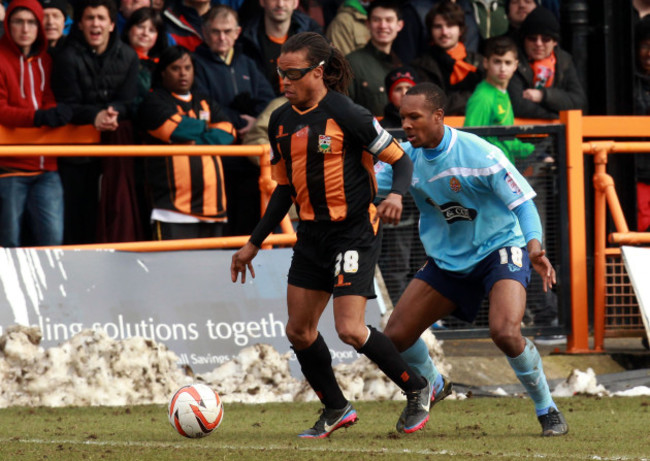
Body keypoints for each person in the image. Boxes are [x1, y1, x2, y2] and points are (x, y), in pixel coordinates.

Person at [231, 31, 435, 438]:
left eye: (293, 74)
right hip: (312, 235)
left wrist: (395, 195)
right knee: (299, 331)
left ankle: (417, 387)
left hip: (354, 232)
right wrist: (253, 242)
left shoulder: (349, 114)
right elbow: (284, 189)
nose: (284, 82)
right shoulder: (280, 121)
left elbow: (400, 161)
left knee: (350, 330)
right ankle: (336, 408)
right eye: (280, 73)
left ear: (318, 73)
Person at [376, 82, 569, 437]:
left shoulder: (479, 153)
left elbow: (523, 203)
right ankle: (433, 383)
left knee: (505, 332)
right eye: (402, 117)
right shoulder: (403, 158)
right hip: (447, 260)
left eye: (414, 117)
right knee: (395, 338)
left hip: (500, 249)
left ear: (438, 116)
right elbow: (368, 189)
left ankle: (548, 408)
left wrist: (534, 246)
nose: (406, 124)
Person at [51, 0, 140, 244]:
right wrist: (94, 116)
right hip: (74, 150)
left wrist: (112, 113)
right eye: (89, 18)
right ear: (79, 24)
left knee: (115, 210)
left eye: (101, 18)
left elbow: (129, 101)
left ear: (112, 24)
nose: (95, 24)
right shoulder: (65, 56)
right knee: (78, 214)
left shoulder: (129, 56)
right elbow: (66, 102)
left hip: (114, 146)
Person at [139, 45, 237, 239]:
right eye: (176, 68)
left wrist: (196, 138)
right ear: (163, 72)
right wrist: (208, 128)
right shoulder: (153, 101)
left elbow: (229, 132)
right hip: (172, 209)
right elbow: (177, 129)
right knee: (171, 269)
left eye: (187, 68)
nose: (182, 73)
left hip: (213, 207)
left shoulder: (204, 100)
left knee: (210, 269)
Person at [0, 0, 72, 247]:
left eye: (32, 22)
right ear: (8, 25)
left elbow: (49, 98)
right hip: (9, 169)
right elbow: (1, 110)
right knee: (8, 247)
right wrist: (38, 117)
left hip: (47, 168)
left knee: (53, 244)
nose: (25, 28)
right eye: (18, 21)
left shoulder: (47, 60)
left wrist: (53, 113)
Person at [377, 66, 426, 306]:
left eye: (409, 88)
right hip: (396, 209)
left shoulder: (427, 127)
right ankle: (396, 311)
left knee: (424, 263)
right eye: (399, 89)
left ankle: (424, 314)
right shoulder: (379, 127)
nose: (404, 93)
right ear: (389, 94)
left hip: (424, 207)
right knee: (397, 265)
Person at [464, 35, 534, 164]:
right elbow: (470, 142)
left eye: (507, 63)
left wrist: (536, 152)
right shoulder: (482, 97)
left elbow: (506, 140)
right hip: (488, 172)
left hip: (502, 169)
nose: (502, 68)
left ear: (515, 65)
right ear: (486, 63)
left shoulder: (502, 92)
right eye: (497, 61)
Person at [508, 6, 586, 119]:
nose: (539, 43)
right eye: (532, 38)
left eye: (545, 39)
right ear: (524, 40)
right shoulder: (514, 61)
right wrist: (554, 116)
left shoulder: (564, 61)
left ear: (555, 42)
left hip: (557, 134)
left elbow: (579, 103)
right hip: (520, 132)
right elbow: (517, 104)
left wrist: (543, 95)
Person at [411, 0, 483, 115]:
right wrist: (473, 96)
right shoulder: (420, 66)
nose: (444, 32)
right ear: (430, 31)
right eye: (438, 26)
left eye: (450, 25)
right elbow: (432, 105)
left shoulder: (478, 61)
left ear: (461, 29)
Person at [238, 0, 322, 96]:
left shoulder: (313, 35)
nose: (280, 4)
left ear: (296, 3)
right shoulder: (245, 40)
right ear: (262, 2)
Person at [346, 0, 403, 116]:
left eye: (389, 20)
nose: (383, 26)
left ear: (399, 25)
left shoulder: (402, 65)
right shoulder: (352, 63)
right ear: (367, 24)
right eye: (377, 20)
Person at [122, 6, 168, 111]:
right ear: (129, 29)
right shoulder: (116, 58)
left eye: (152, 30)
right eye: (140, 26)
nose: (145, 33)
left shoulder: (163, 65)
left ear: (158, 36)